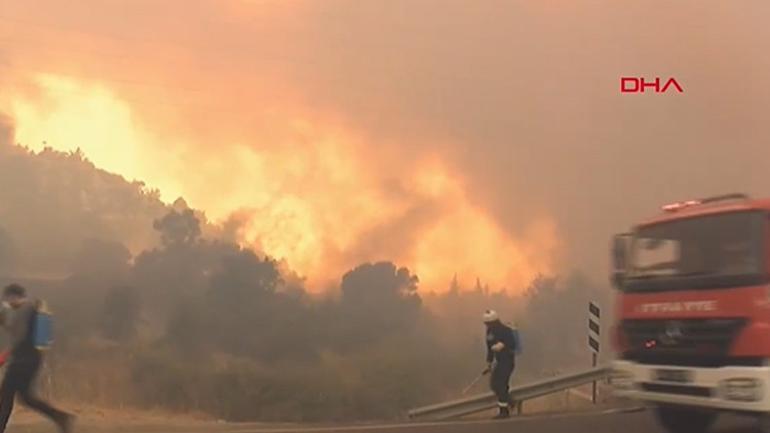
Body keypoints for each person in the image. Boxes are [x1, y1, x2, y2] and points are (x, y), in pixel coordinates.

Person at [0, 284, 73, 433]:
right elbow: (20, 333)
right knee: (26, 397)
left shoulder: (24, 309)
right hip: (32, 360)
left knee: (6, 395)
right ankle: (60, 417)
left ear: (13, 296)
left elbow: (19, 336)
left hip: (22, 361)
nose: (6, 302)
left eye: (7, 298)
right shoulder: (31, 308)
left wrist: (5, 355)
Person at [482, 309, 518, 419]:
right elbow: (490, 348)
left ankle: (504, 411)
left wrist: (502, 345)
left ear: (495, 321)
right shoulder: (489, 333)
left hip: (507, 361)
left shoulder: (505, 330)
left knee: (501, 385)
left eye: (489, 323)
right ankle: (510, 401)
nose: (487, 326)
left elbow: (512, 344)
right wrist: (489, 362)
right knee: (494, 385)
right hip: (499, 362)